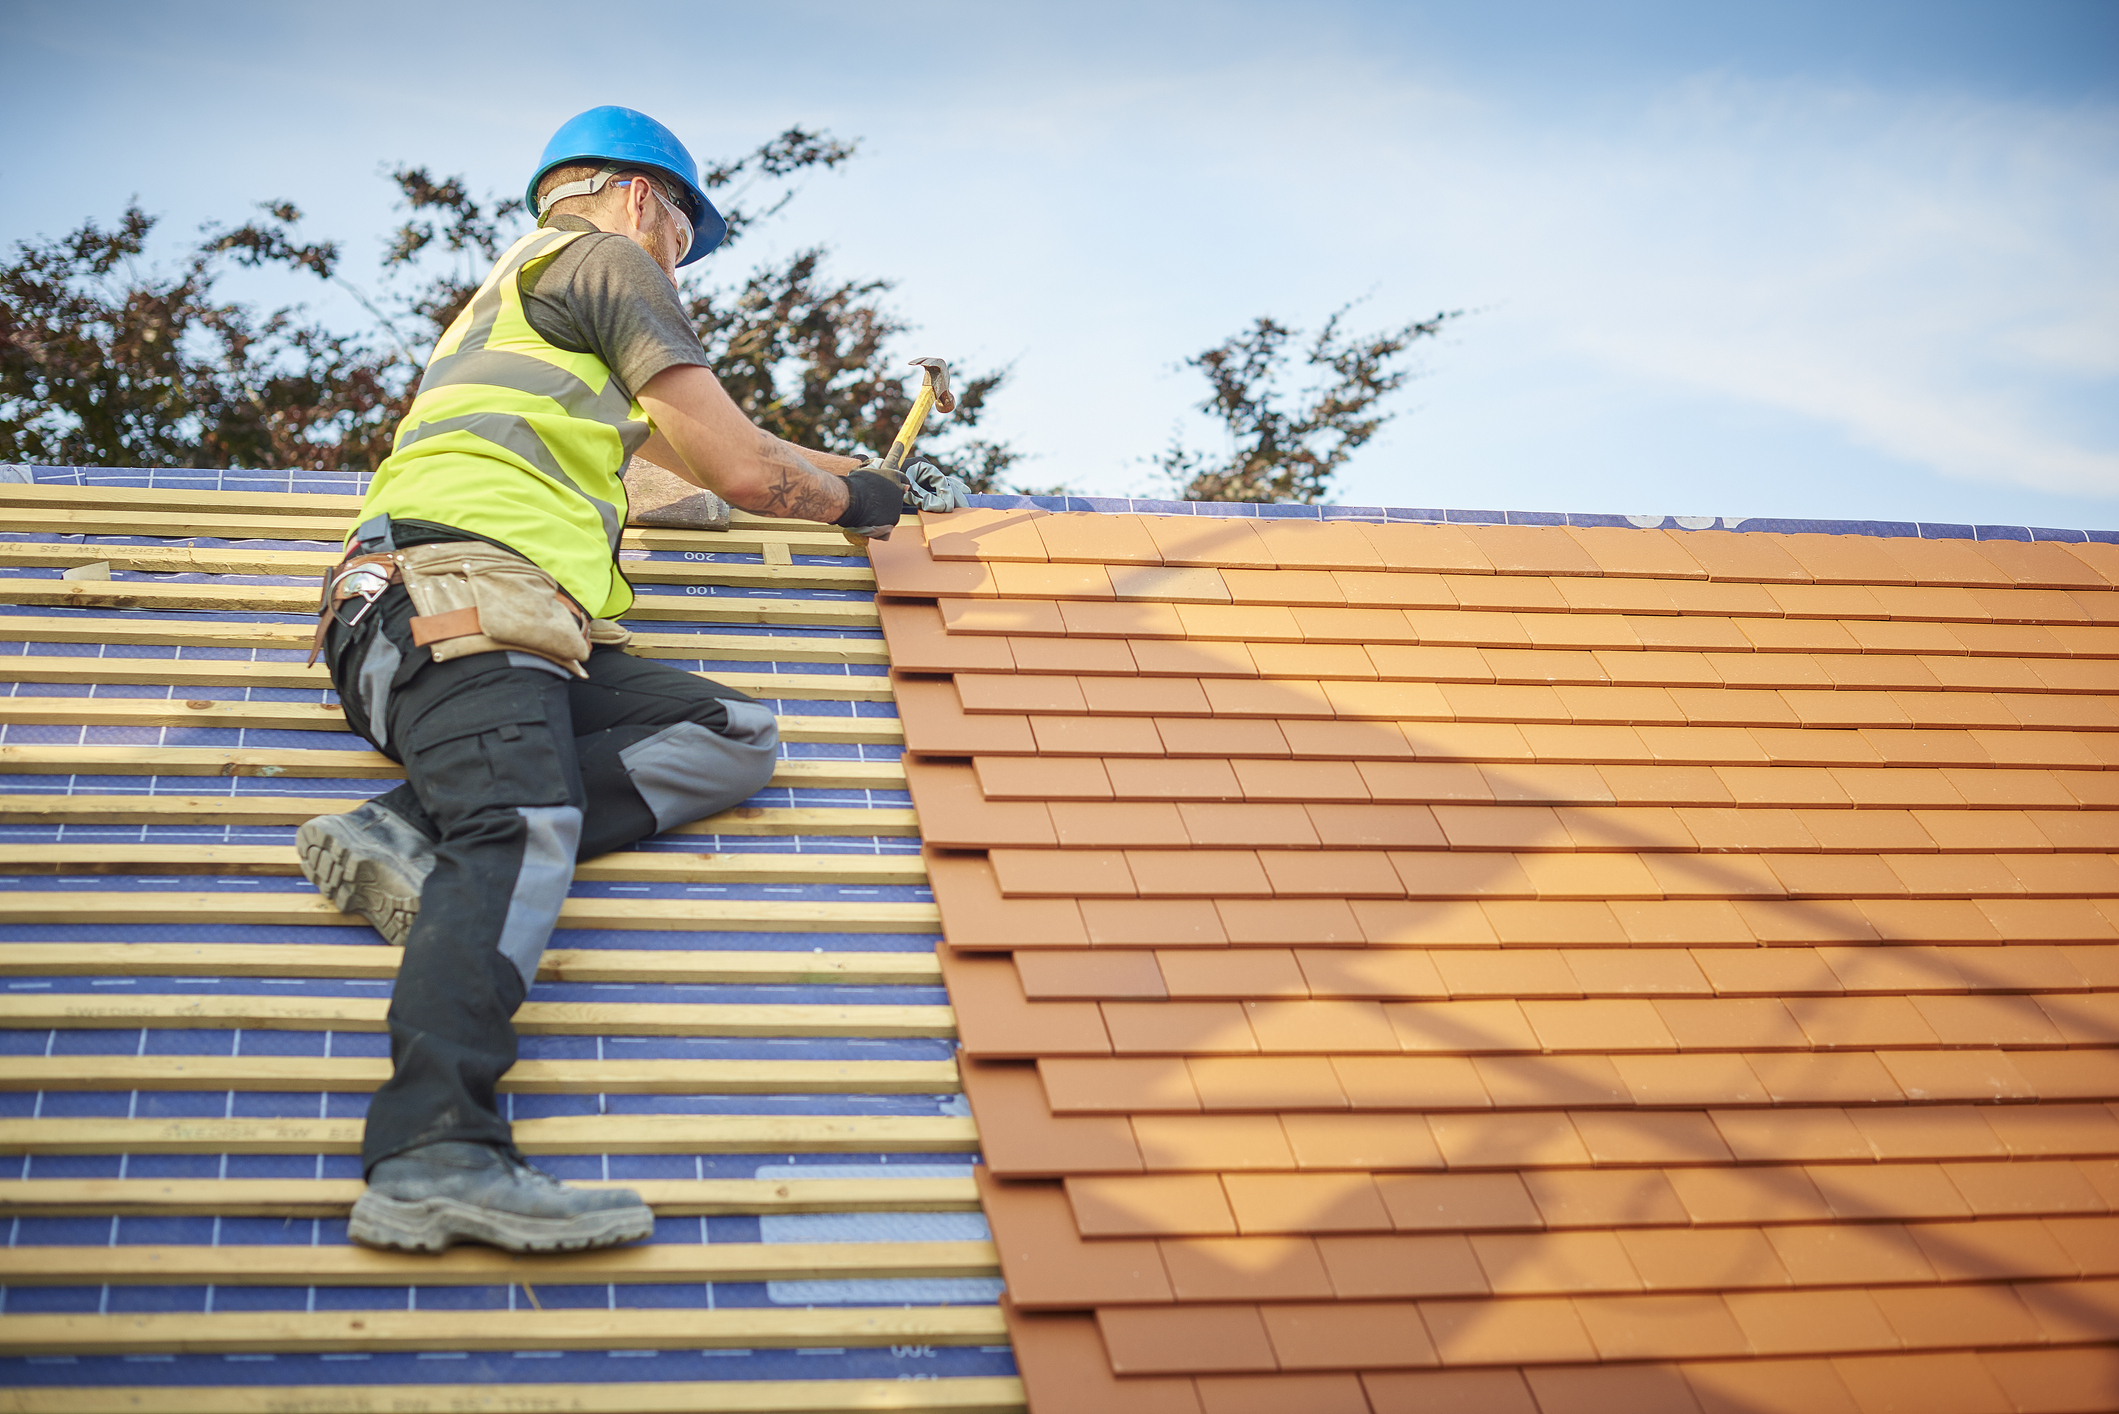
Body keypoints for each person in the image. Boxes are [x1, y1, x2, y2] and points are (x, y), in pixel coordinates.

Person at [295, 106, 965, 1255]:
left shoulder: (533, 306)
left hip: (503, 618)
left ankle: (408, 827)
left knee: (727, 734)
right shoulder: (606, 260)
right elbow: (746, 468)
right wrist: (858, 504)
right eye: (681, 240)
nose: (675, 264)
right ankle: (433, 1149)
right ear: (641, 196)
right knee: (520, 824)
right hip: (457, 596)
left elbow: (700, 460)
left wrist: (851, 474)